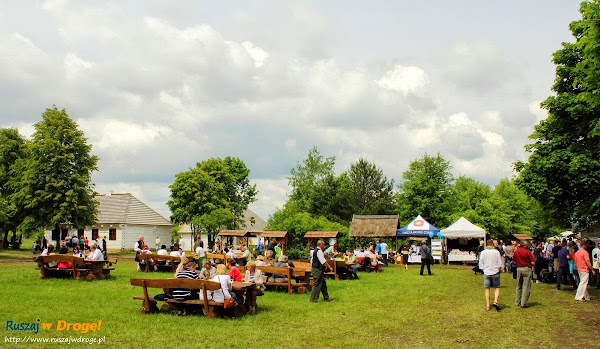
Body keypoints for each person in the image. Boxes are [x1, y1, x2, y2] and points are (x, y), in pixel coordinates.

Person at [479, 240, 503, 311]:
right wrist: (498, 270)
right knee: (497, 287)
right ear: (492, 244)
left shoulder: (483, 252)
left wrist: (484, 270)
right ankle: (495, 301)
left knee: (487, 289)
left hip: (487, 272)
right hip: (495, 272)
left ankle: (488, 306)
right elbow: (500, 263)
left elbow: (481, 263)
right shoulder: (496, 252)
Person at [513, 240, 534, 308]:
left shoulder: (516, 251)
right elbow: (533, 262)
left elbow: (514, 260)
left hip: (519, 268)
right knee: (526, 286)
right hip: (526, 268)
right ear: (525, 245)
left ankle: (517, 302)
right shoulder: (527, 252)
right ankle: (523, 303)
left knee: (518, 286)